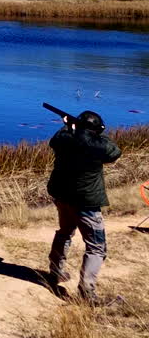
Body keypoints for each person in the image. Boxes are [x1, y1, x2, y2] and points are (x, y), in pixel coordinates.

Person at [46, 110, 121, 305]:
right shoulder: (97, 145)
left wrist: (69, 127)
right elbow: (114, 151)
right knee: (97, 247)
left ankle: (56, 272)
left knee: (64, 233)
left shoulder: (65, 139)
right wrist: (89, 131)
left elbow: (56, 140)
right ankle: (86, 292)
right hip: (86, 203)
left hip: (63, 197)